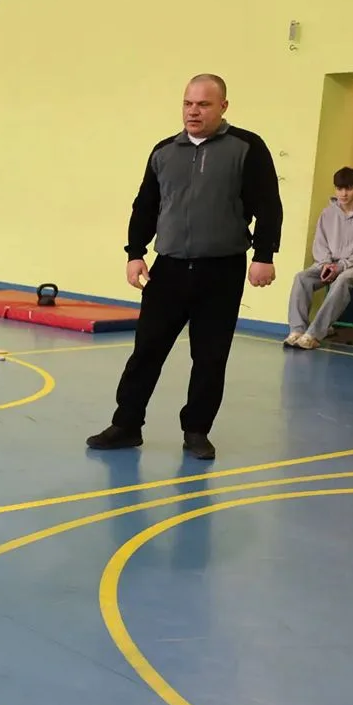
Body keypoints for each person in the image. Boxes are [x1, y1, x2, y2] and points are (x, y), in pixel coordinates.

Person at [86, 73, 283, 460]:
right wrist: (135, 252)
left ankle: (196, 431)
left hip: (221, 270)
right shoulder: (164, 152)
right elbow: (145, 205)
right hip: (169, 269)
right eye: (188, 103)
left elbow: (268, 204)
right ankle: (126, 425)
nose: (194, 111)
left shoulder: (247, 147)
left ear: (223, 107)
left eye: (204, 104)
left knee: (210, 357)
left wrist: (264, 255)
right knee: (146, 351)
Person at [284, 166, 353, 350]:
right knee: (302, 278)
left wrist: (341, 266)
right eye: (339, 188)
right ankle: (297, 330)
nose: (343, 194)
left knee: (343, 279)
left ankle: (313, 335)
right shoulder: (328, 213)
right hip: (329, 264)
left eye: (348, 188)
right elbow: (320, 244)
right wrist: (327, 264)